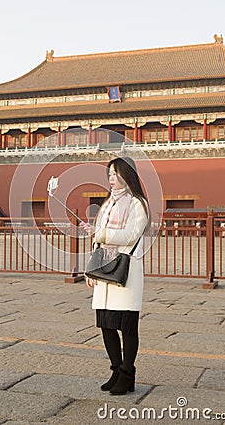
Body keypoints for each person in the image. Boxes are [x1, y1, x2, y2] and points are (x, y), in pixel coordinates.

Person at [82, 156, 149, 395]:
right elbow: (99, 238)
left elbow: (130, 236)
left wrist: (99, 233)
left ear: (127, 175)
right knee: (107, 325)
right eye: (109, 174)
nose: (111, 178)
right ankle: (115, 370)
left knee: (127, 326)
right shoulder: (108, 204)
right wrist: (92, 268)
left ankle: (127, 374)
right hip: (105, 269)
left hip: (126, 271)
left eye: (115, 173)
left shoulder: (137, 204)